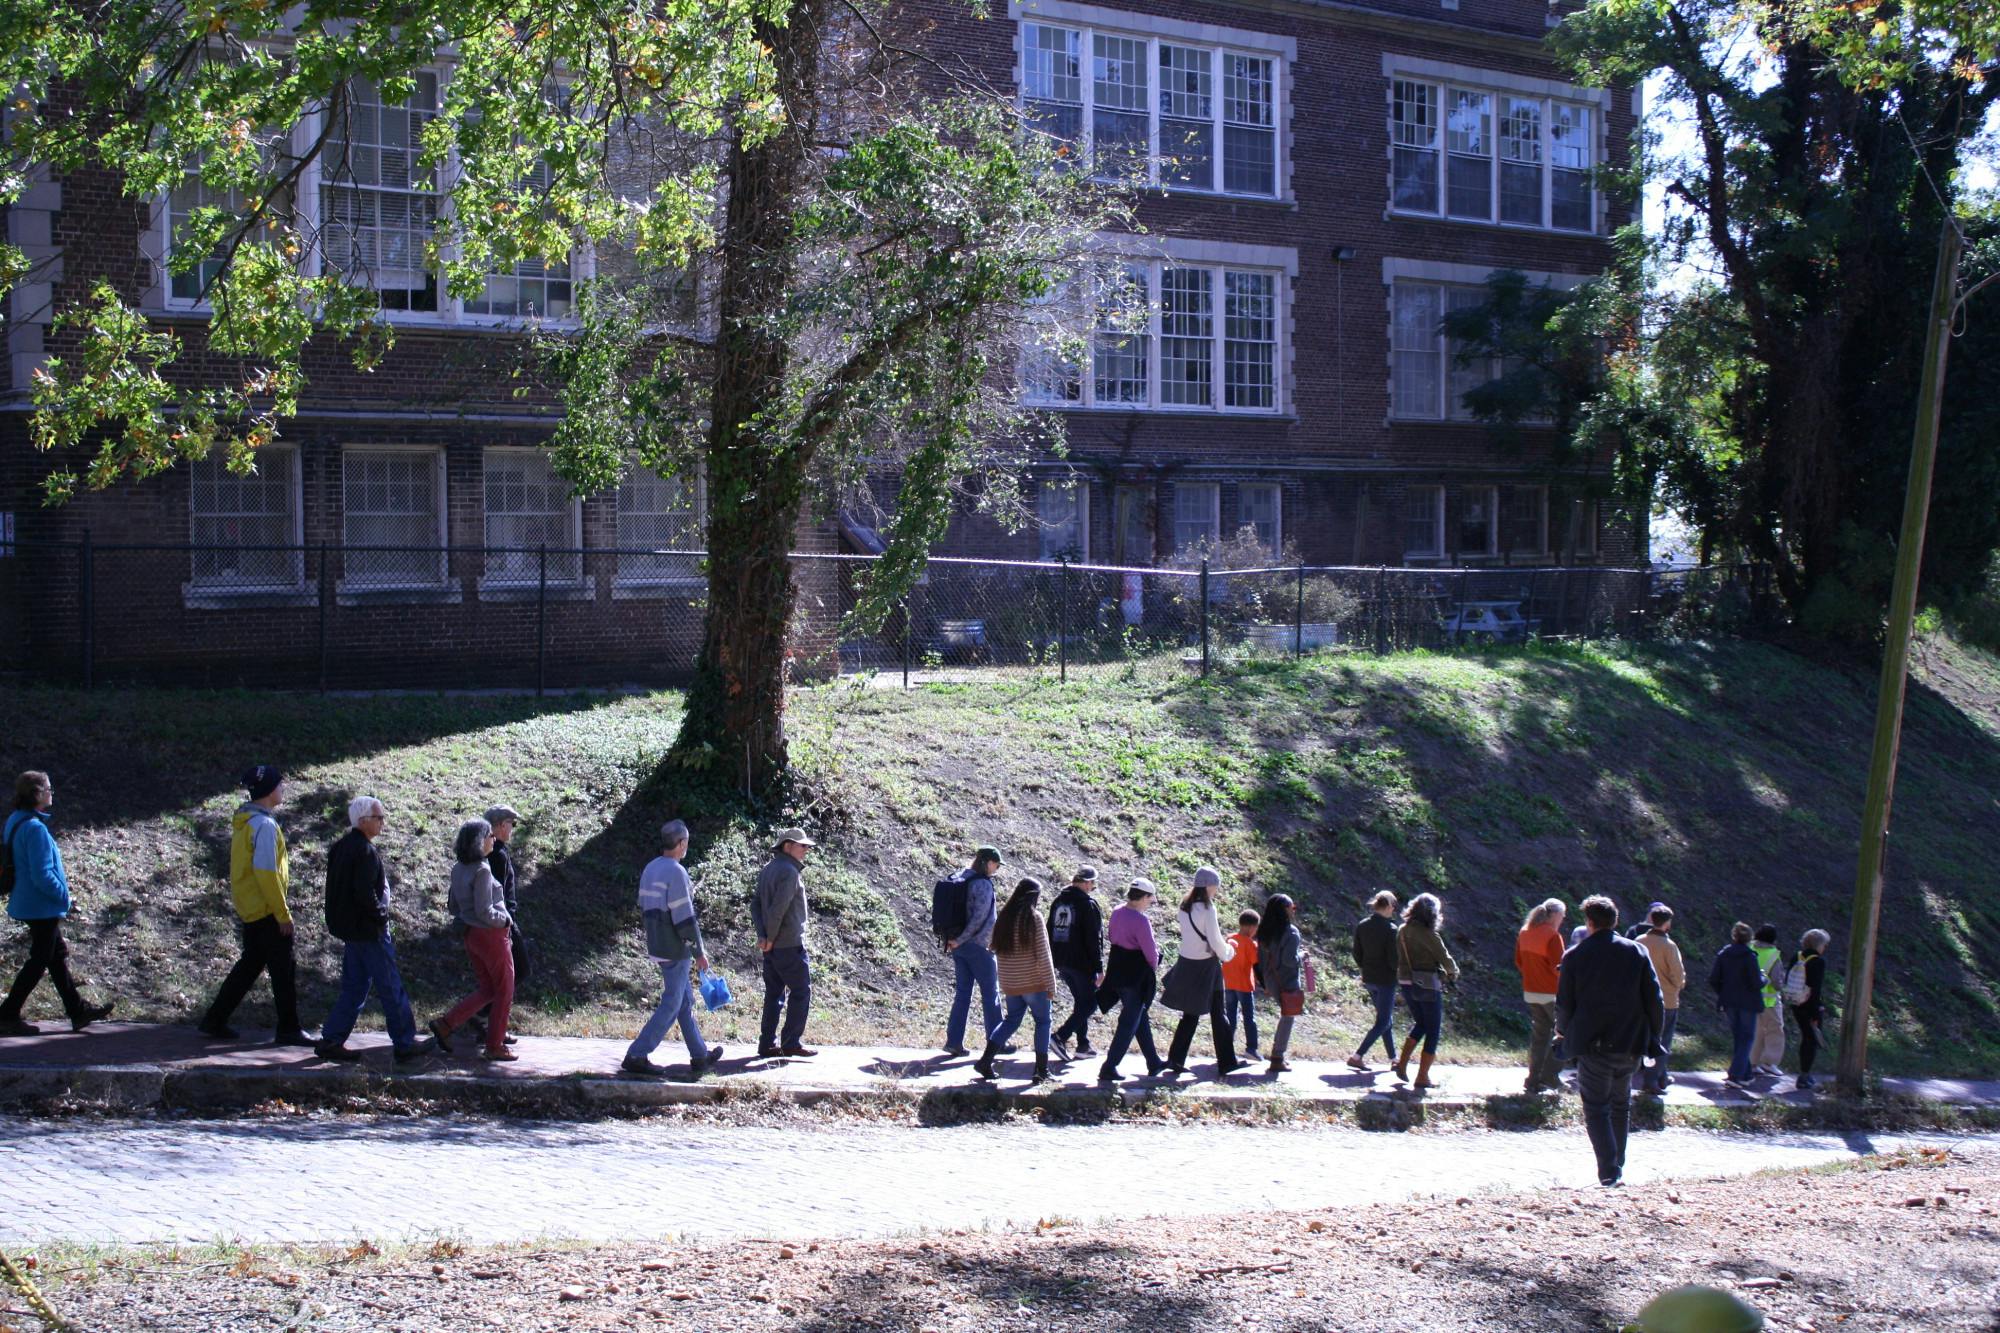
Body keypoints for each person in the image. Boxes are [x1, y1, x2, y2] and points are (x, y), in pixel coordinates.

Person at [199, 765, 315, 1046]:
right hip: (266, 911)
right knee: (284, 970)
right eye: (280, 784)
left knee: (249, 966)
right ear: (269, 791)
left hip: (251, 908)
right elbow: (266, 872)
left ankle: (215, 1019)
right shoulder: (264, 825)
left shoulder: (247, 822)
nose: (283, 788)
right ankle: (289, 1028)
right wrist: (282, 913)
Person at [1555, 895, 1664, 1187]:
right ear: (1615, 921)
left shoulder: (1575, 956)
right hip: (1630, 1042)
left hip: (1593, 1044)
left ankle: (1608, 1170)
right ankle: (1618, 1164)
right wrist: (1654, 1036)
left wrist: (1562, 1033)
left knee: (1596, 1107)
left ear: (1589, 923)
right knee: (1620, 1104)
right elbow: (1655, 1000)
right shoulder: (1637, 952)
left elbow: (1565, 1004)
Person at [314, 797, 428, 1063]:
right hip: (369, 931)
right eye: (379, 818)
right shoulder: (365, 851)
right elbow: (364, 892)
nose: (382, 823)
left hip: (351, 931)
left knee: (354, 988)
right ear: (363, 820)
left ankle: (331, 1039)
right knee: (390, 986)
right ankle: (404, 1042)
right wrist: (381, 915)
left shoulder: (341, 847)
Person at [0, 771, 113, 1036]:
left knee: (55, 956)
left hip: (29, 901)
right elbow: (43, 874)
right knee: (40, 959)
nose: (52, 793)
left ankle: (77, 1010)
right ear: (37, 794)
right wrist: (64, 897)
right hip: (41, 905)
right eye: (48, 789)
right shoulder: (35, 828)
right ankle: (7, 1014)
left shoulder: (16, 820)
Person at [622, 820, 723, 1081]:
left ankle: (700, 1056)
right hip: (675, 946)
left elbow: (644, 905)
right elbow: (684, 918)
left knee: (684, 1001)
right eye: (685, 842)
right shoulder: (677, 872)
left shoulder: (650, 868)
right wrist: (699, 950)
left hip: (656, 943)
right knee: (672, 1003)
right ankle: (637, 1054)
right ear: (681, 844)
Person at [429, 819, 517, 1061]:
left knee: (488, 988)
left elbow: (453, 905)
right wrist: (505, 920)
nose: (494, 839)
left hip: (471, 935)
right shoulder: (482, 869)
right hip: (491, 936)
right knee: (504, 990)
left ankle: (446, 1024)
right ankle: (495, 1045)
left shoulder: (458, 869)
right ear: (479, 841)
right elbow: (485, 911)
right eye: (490, 836)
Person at [1161, 867, 1241, 1078]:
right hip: (1207, 966)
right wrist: (1230, 951)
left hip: (1188, 962)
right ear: (1208, 886)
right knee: (1217, 1013)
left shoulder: (1184, 907)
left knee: (1191, 1013)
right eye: (1215, 886)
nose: (1216, 890)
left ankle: (1176, 1058)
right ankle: (1226, 1061)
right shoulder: (1208, 909)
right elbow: (1215, 941)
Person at [977, 878, 1059, 1084]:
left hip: (1010, 983)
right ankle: (1041, 1071)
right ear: (1034, 896)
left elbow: (992, 947)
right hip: (1034, 982)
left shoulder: (1004, 916)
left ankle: (985, 1061)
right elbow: (1043, 953)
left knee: (1011, 1021)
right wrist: (1051, 984)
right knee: (1043, 1022)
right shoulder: (1034, 918)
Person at [751, 827, 816, 1059]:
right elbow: (779, 909)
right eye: (802, 845)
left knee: (774, 993)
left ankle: (767, 1043)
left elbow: (755, 905)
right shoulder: (789, 872)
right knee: (801, 991)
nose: (806, 850)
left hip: (773, 945)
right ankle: (791, 1042)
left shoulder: (768, 869)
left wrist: (763, 936)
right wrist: (769, 937)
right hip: (788, 944)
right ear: (787, 846)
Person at [468, 805, 529, 1048]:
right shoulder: (497, 855)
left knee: (501, 980)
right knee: (517, 973)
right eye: (511, 824)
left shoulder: (491, 852)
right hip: (501, 925)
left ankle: (486, 1021)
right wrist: (506, 924)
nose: (512, 829)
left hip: (495, 923)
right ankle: (485, 1020)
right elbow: (497, 894)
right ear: (501, 825)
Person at [1096, 880, 1168, 1082]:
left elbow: (1111, 936)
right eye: (1150, 900)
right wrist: (1154, 965)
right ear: (1143, 897)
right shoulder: (1141, 921)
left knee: (1139, 1016)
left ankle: (1153, 1062)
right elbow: (1151, 956)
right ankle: (1109, 1066)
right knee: (1128, 1022)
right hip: (1135, 976)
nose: (1150, 904)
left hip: (1117, 970)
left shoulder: (1117, 911)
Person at [942, 846, 1004, 1058]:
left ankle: (953, 1042)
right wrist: (962, 939)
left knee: (962, 995)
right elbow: (980, 918)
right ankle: (998, 1042)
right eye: (996, 864)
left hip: (957, 947)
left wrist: (955, 941)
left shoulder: (960, 878)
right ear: (987, 862)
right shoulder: (983, 884)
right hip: (978, 947)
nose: (996, 868)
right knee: (991, 994)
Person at [1393, 892, 1457, 1090]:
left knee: (1420, 1023)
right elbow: (1448, 963)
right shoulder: (1430, 935)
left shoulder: (1403, 930)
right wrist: (1452, 974)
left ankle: (1401, 1064)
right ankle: (1422, 1076)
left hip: (1405, 981)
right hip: (1427, 984)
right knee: (1434, 1029)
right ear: (1432, 914)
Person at [1047, 867, 1104, 1061]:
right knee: (1091, 1003)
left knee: (1081, 1001)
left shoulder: (1058, 902)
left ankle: (1083, 1045)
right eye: (1092, 883)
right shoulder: (1087, 905)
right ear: (1087, 882)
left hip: (1061, 961)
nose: (1092, 887)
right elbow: (1093, 940)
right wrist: (1099, 968)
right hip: (1081, 963)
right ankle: (1060, 1036)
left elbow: (1049, 931)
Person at [1514, 898, 1566, 1095]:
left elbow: (1519, 962)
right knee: (1566, 1033)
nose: (1563, 919)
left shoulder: (1525, 932)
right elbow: (1559, 968)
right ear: (1554, 915)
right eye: (1562, 915)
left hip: (1531, 991)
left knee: (1540, 1037)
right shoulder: (1552, 936)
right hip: (1552, 993)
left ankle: (1533, 1079)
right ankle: (1550, 1076)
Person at [1635, 904, 1686, 1095]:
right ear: (1667, 923)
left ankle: (1662, 1076)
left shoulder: (1640, 940)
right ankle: (1652, 1080)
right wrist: (1678, 985)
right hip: (1667, 1000)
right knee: (1663, 1041)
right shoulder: (1669, 946)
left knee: (1647, 1037)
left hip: (1642, 999)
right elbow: (1678, 975)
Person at [1709, 921, 1766, 1086]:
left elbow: (1713, 979)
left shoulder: (1724, 954)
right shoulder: (1749, 956)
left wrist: (1723, 992)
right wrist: (1764, 978)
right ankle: (1735, 1075)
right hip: (1748, 1003)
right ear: (1750, 938)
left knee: (1738, 1038)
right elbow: (1756, 982)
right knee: (1747, 1038)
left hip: (1729, 1001)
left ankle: (1746, 1074)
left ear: (1733, 936)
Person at [1348, 890, 1399, 1071]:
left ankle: (1394, 1059)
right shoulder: (1391, 930)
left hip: (1369, 978)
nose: (1394, 910)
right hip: (1386, 980)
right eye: (1393, 906)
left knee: (1386, 1020)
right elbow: (1394, 960)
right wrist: (1399, 972)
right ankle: (1357, 1056)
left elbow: (1356, 952)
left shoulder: (1363, 925)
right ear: (1387, 906)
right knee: (1383, 1021)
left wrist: (1364, 967)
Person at [1254, 895, 1304, 1074]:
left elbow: (1259, 960)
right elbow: (1290, 960)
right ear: (1285, 909)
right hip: (1287, 981)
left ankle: (1278, 1056)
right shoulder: (1291, 932)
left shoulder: (1263, 931)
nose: (1294, 909)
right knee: (1288, 1017)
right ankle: (1277, 1057)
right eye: (1292, 906)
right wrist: (1302, 957)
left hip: (1270, 979)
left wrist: (1263, 982)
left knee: (1286, 1016)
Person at [1792, 928, 1831, 1092]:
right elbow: (1815, 988)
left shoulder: (1797, 956)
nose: (1825, 948)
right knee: (1811, 1040)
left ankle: (1805, 1074)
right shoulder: (1818, 961)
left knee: (1806, 1037)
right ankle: (1804, 1075)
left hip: (1796, 1003)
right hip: (1810, 1006)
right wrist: (1816, 1012)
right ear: (1819, 945)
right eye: (1825, 945)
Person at [1221, 909, 1261, 1063]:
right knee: (1249, 1018)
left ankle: (1226, 1049)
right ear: (1251, 927)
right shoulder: (1251, 944)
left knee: (1230, 1017)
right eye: (1256, 928)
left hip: (1228, 984)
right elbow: (1256, 966)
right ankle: (1251, 1049)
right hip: (1244, 986)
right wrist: (1263, 984)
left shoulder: (1229, 938)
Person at [1750, 923, 1787, 1076]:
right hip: (1770, 1001)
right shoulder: (1773, 955)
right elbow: (1777, 982)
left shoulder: (1750, 949)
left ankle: (1752, 1062)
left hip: (1750, 998)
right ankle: (1769, 1062)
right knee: (1775, 1031)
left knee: (1755, 1032)